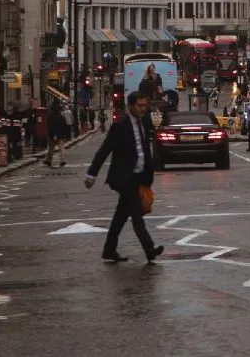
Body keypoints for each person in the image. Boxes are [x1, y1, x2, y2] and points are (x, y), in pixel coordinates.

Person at [85, 91, 164, 264]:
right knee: (137, 215)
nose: (144, 109)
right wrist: (92, 174)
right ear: (130, 106)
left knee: (120, 216)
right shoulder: (119, 126)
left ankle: (109, 250)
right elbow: (104, 150)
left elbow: (143, 148)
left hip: (139, 177)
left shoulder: (144, 121)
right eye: (140, 106)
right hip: (124, 177)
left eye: (145, 105)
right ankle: (150, 250)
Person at [44, 100, 67, 168]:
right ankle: (62, 160)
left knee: (51, 148)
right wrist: (65, 135)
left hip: (52, 135)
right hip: (61, 135)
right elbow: (64, 126)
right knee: (61, 148)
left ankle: (49, 160)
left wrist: (52, 134)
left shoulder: (50, 117)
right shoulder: (61, 117)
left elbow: (49, 127)